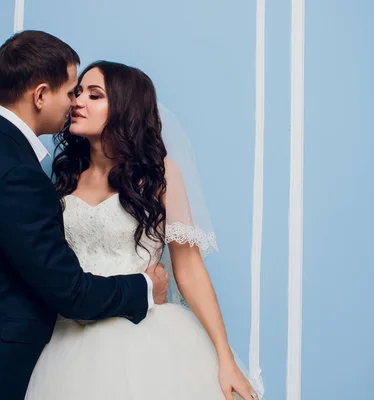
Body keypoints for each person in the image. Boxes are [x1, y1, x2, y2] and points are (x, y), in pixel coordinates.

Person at [0, 31, 169, 400]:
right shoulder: (18, 174)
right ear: (40, 95)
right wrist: (145, 288)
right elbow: (71, 293)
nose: (75, 103)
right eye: (72, 91)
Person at [24, 60, 260, 400]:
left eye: (94, 95)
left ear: (124, 106)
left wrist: (225, 357)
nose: (78, 102)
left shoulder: (159, 175)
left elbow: (189, 267)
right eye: (77, 93)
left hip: (142, 334)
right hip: (68, 338)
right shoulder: (64, 176)